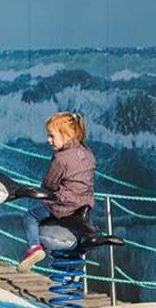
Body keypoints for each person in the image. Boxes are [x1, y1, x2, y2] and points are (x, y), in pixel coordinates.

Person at [17, 112, 96, 272]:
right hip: (85, 205)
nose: (48, 140)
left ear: (67, 135)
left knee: (30, 216)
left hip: (64, 205)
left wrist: (43, 190)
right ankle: (75, 262)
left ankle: (34, 248)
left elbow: (50, 184)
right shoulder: (88, 153)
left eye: (52, 136)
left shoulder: (61, 158)